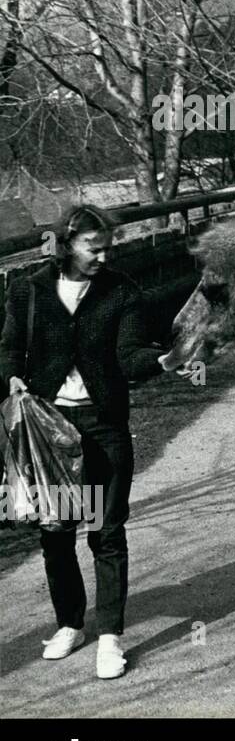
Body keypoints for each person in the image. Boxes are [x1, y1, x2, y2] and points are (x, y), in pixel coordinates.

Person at [0, 204, 182, 679]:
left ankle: (110, 637)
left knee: (105, 532)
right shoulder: (31, 290)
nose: (102, 257)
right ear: (66, 243)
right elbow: (9, 347)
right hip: (50, 432)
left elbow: (128, 355)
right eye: (92, 248)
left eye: (107, 248)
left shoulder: (120, 291)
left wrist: (161, 362)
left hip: (102, 429)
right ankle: (69, 624)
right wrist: (12, 377)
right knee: (56, 532)